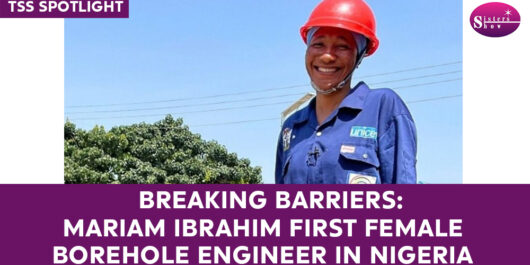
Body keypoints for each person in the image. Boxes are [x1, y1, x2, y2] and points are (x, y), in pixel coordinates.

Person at [275, 0, 417, 184]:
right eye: (318, 44)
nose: (327, 56)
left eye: (342, 47)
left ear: (359, 56)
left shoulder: (382, 108)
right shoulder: (291, 127)